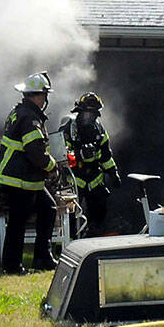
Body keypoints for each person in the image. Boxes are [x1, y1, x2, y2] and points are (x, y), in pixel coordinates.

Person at [0, 71, 59, 273]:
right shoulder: (29, 118)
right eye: (44, 95)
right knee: (17, 223)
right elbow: (36, 153)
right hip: (18, 181)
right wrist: (52, 166)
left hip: (25, 180)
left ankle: (42, 258)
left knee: (48, 209)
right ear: (38, 96)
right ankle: (13, 266)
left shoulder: (20, 112)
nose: (45, 100)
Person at [61, 92, 120, 235]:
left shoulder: (99, 129)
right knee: (70, 219)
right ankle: (70, 245)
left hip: (95, 180)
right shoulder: (69, 128)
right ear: (79, 112)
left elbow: (106, 155)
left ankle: (94, 240)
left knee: (99, 216)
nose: (90, 117)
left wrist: (113, 172)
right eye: (87, 113)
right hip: (74, 181)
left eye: (93, 114)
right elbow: (61, 155)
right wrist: (79, 155)